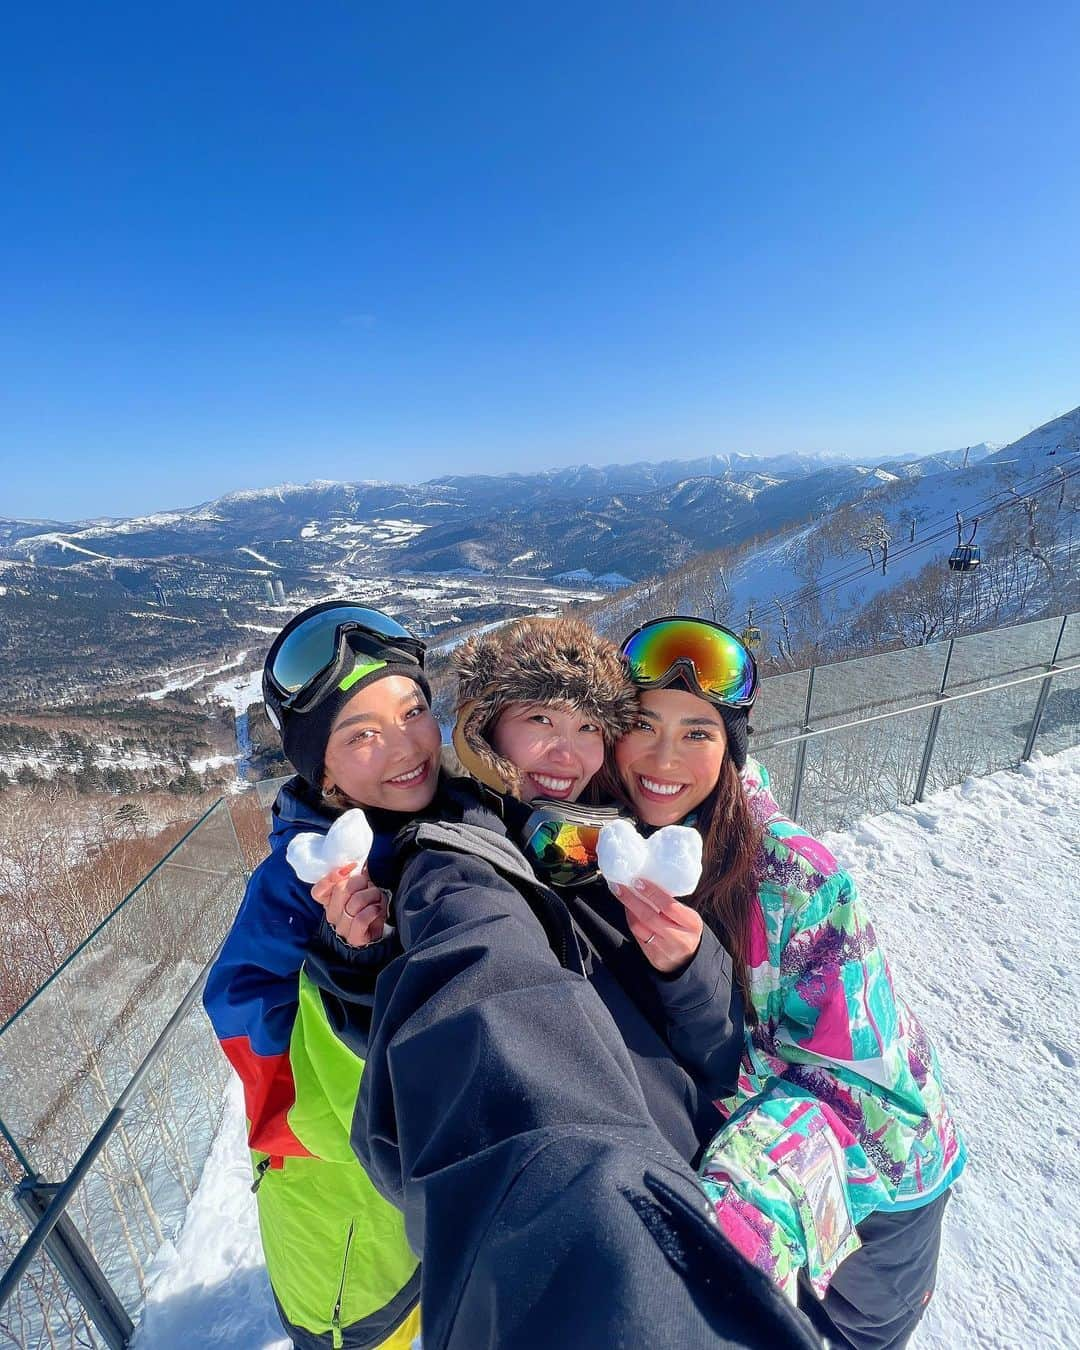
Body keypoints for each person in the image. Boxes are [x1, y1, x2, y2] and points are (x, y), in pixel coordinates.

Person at [302, 615, 823, 1348]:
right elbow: (478, 1002)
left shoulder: (612, 846)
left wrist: (689, 966)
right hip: (624, 1211)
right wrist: (569, 1199)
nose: (563, 750)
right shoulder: (454, 863)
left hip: (703, 1193)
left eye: (586, 727)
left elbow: (714, 1058)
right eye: (539, 718)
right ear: (487, 731)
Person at [607, 614, 967, 1350]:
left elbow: (850, 1086)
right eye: (643, 723)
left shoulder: (797, 879)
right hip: (757, 1165)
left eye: (698, 733)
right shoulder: (616, 847)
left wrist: (735, 1218)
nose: (663, 756)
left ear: (730, 748)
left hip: (881, 1192)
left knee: (858, 1335)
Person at [203, 601, 438, 1350]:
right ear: (322, 767)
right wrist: (350, 977)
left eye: (413, 712)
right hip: (356, 1256)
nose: (404, 747)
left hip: (439, 1210)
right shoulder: (290, 893)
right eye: (361, 735)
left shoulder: (441, 827)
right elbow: (280, 1099)